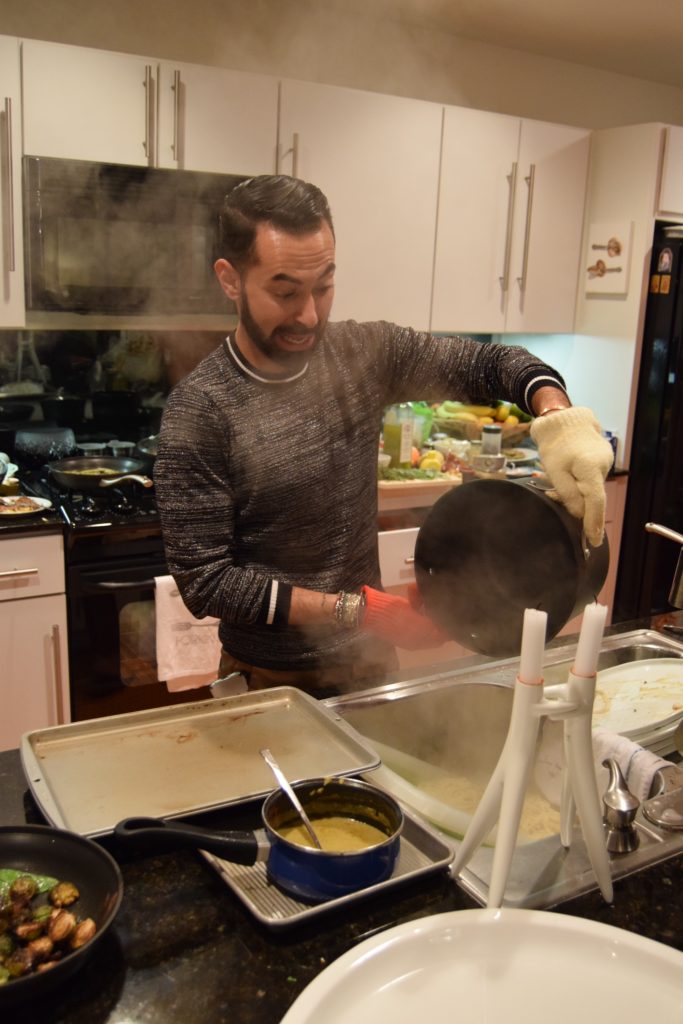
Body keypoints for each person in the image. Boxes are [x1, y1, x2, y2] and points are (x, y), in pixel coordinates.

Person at [154, 175, 614, 696]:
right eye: (284, 292)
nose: (308, 314)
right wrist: (361, 611)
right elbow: (206, 582)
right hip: (268, 684)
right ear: (230, 279)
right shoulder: (200, 411)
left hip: (372, 673)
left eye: (323, 286)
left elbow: (492, 363)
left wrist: (559, 418)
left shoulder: (364, 355)